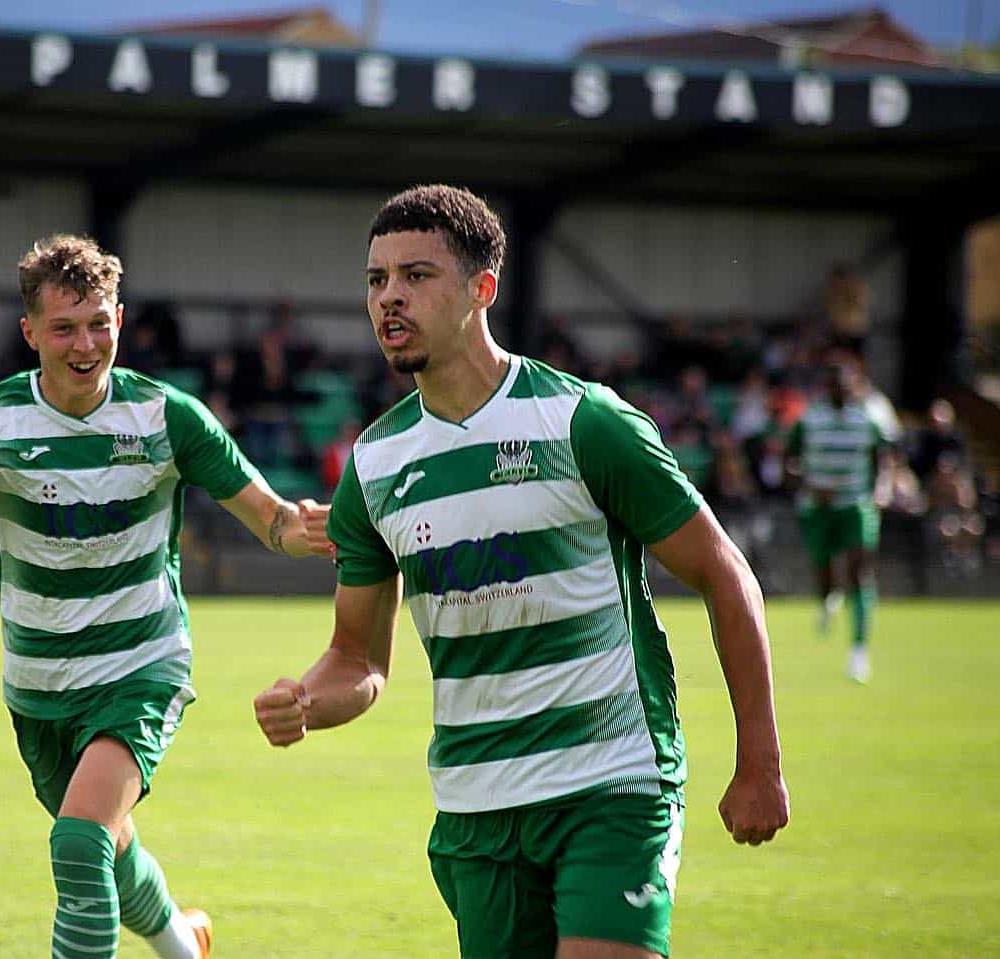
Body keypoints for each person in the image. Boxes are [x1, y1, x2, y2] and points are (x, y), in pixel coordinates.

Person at [252, 185, 788, 959]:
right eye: (376, 280)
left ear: (482, 289)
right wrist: (307, 700)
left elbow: (724, 572)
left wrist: (759, 762)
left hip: (612, 784)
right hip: (477, 809)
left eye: (416, 275)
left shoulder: (582, 423)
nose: (390, 297)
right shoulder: (372, 466)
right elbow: (357, 659)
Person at [0, 234, 333, 959]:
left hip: (139, 667)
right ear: (30, 333)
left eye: (97, 324)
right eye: (64, 328)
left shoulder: (166, 416)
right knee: (109, 848)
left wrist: (314, 527)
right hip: (39, 685)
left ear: (119, 318)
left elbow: (273, 520)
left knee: (80, 841)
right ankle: (186, 945)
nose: (85, 345)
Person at [786, 357, 895, 682]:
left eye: (846, 385)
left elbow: (884, 459)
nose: (841, 390)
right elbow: (787, 464)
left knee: (859, 573)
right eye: (835, 385)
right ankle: (827, 598)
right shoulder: (809, 420)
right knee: (824, 572)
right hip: (817, 509)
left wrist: (882, 490)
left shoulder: (868, 419)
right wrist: (810, 485)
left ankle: (858, 651)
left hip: (855, 505)